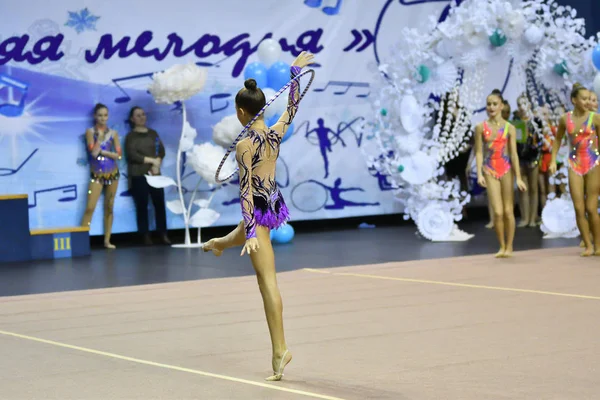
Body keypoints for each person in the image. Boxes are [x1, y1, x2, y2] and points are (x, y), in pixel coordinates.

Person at [202, 51, 315, 380]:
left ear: (240, 112)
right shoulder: (275, 131)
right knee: (237, 235)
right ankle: (219, 243)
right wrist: (294, 74)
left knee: (267, 282)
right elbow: (292, 109)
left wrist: (252, 233)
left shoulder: (244, 144)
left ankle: (280, 351)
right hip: (274, 203)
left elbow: (245, 192)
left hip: (260, 213)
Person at [475, 89, 527, 258]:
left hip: (506, 169)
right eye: (489, 104)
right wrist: (479, 173)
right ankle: (501, 245)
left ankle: (510, 246)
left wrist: (518, 177)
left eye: (494, 104)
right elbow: (479, 152)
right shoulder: (480, 127)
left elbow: (513, 154)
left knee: (508, 211)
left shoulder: (509, 128)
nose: (491, 107)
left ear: (501, 106)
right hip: (490, 170)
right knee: (497, 212)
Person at [550, 84, 600, 256]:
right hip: (574, 164)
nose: (587, 102)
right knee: (579, 208)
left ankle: (598, 244)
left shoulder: (595, 118)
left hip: (593, 163)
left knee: (592, 207)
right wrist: (552, 161)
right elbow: (557, 140)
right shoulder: (565, 119)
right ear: (574, 100)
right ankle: (588, 245)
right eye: (584, 99)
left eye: (589, 99)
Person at [124, 106, 171, 246]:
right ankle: (145, 235)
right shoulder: (130, 136)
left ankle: (163, 233)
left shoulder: (153, 133)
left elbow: (161, 151)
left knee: (159, 204)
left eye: (143, 114)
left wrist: (157, 164)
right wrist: (150, 160)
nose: (141, 117)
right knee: (142, 205)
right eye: (138, 115)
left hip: (155, 174)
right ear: (132, 119)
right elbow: (132, 154)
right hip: (139, 174)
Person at [81, 103, 121, 249]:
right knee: (90, 207)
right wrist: (101, 140)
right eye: (100, 115)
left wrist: (103, 152)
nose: (103, 118)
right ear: (94, 116)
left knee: (109, 207)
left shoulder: (114, 134)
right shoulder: (90, 132)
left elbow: (119, 155)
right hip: (97, 176)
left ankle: (107, 240)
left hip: (113, 174)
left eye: (105, 115)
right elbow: (93, 152)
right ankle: (82, 240)